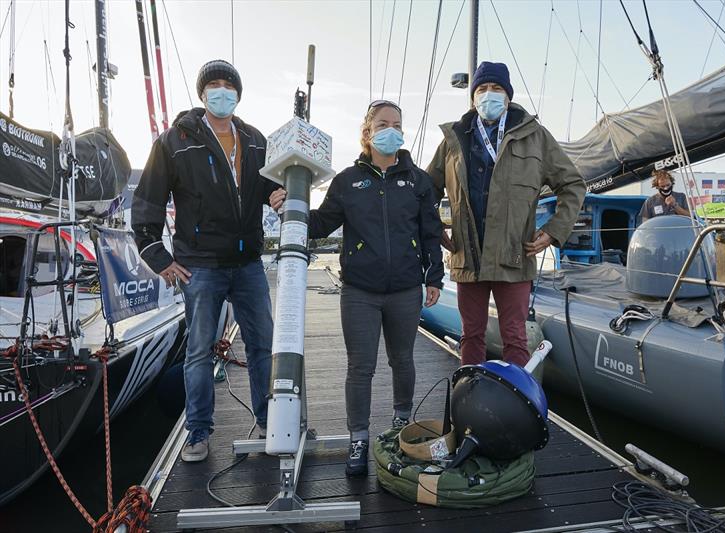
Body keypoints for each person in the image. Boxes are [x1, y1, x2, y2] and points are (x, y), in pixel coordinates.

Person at [269, 100, 444, 476]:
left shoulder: (418, 181)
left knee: (403, 360)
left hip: (405, 289)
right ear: (367, 131)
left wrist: (435, 277)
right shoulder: (348, 181)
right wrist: (290, 206)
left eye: (397, 123)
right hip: (360, 291)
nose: (391, 129)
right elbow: (320, 224)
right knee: (360, 367)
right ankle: (359, 437)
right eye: (383, 123)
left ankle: (401, 424)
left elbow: (431, 232)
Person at [133, 60, 278, 463]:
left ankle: (268, 420)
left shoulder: (254, 139)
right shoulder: (175, 140)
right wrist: (159, 258)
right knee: (197, 352)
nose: (221, 91)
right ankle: (197, 432)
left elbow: (267, 186)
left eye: (228, 85)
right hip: (200, 266)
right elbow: (147, 203)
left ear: (238, 92)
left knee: (263, 345)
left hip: (248, 262)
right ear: (202, 93)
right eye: (213, 85)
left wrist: (278, 195)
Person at [426, 61, 585, 368]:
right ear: (473, 97)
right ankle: (468, 392)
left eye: (497, 89)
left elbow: (573, 184)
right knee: (470, 335)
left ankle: (517, 400)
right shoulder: (453, 140)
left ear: (509, 97)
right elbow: (425, 191)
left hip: (514, 256)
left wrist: (553, 230)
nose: (489, 95)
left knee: (515, 336)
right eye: (482, 89)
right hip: (467, 257)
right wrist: (434, 227)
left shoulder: (535, 136)